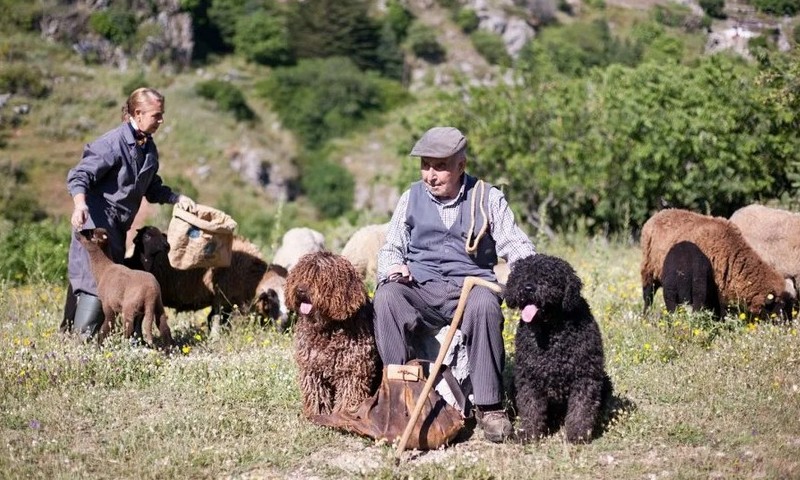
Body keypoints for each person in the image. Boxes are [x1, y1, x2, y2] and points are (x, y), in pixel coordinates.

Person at [373, 126, 536, 443]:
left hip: (471, 286)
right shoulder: (410, 197)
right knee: (387, 296)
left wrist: (524, 274)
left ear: (461, 165)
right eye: (425, 165)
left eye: (440, 166)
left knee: (486, 304)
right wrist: (394, 267)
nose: (430, 175)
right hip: (422, 287)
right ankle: (400, 394)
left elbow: (518, 247)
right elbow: (391, 247)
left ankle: (489, 407)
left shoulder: (488, 198)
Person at [62, 87, 195, 338]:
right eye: (157, 115)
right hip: (96, 226)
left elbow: (152, 187)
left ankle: (86, 340)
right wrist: (80, 205)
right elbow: (80, 176)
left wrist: (177, 198)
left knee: (110, 284)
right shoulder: (112, 144)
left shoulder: (148, 148)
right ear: (138, 113)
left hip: (117, 229)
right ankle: (77, 343)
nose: (161, 120)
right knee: (92, 282)